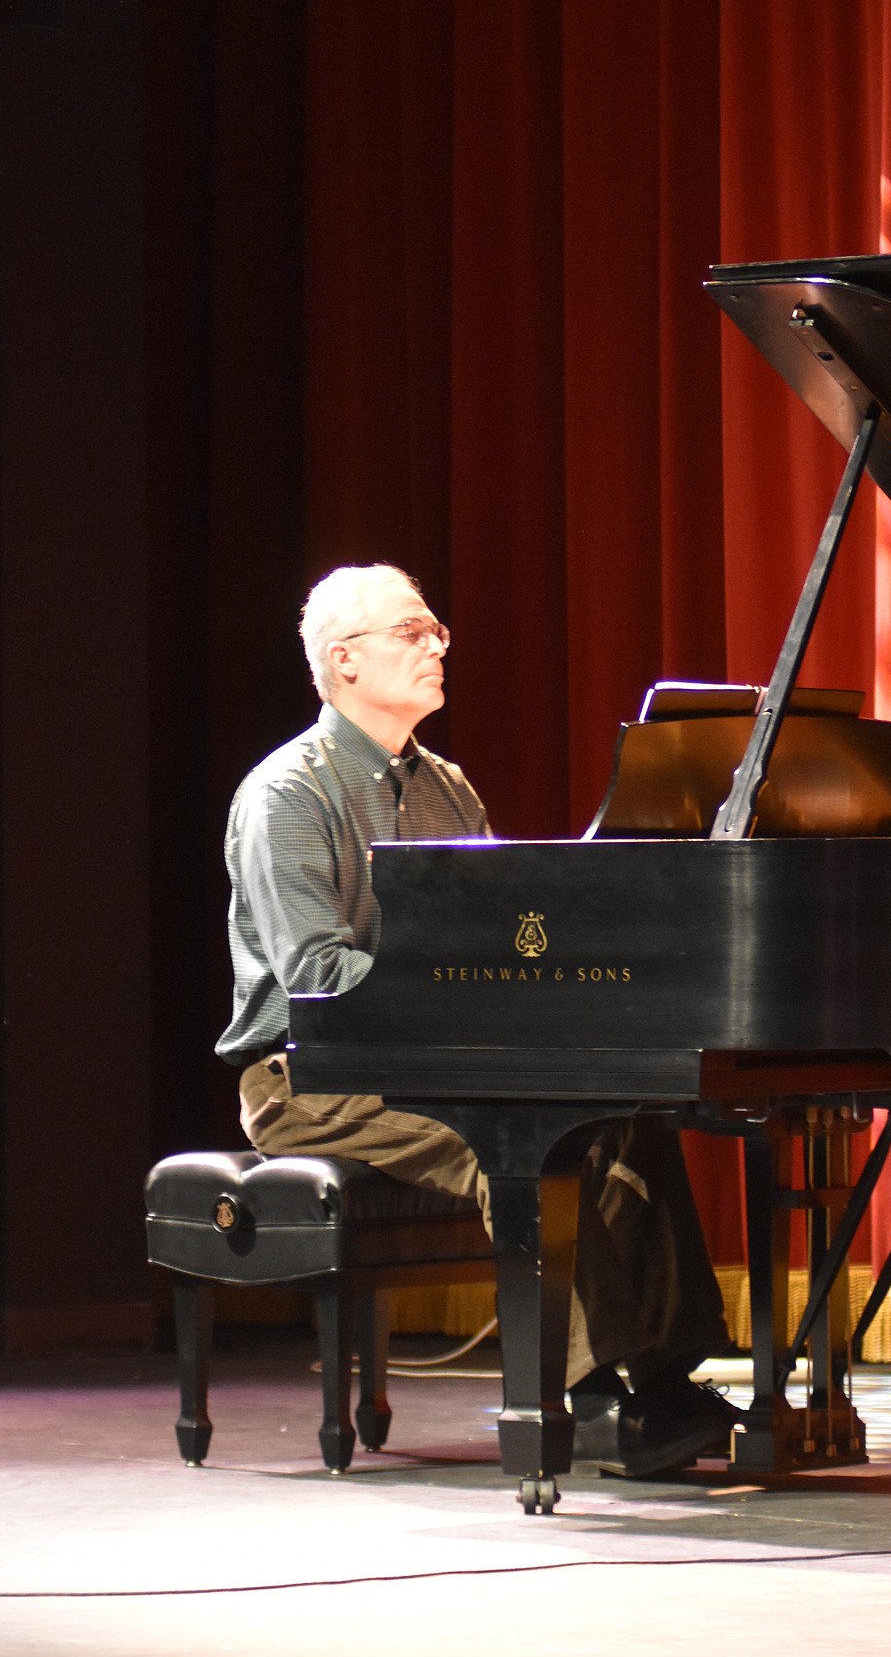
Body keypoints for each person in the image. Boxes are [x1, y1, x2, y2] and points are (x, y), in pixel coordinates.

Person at [216, 562, 741, 1477]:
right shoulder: (288, 795)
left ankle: (666, 1376)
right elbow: (315, 972)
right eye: (411, 632)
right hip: (313, 1076)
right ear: (343, 661)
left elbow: (497, 933)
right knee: (518, 1145)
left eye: (437, 633)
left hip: (432, 1054)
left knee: (630, 1118)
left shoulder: (446, 787)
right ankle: (599, 1398)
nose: (435, 647)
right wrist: (467, 989)